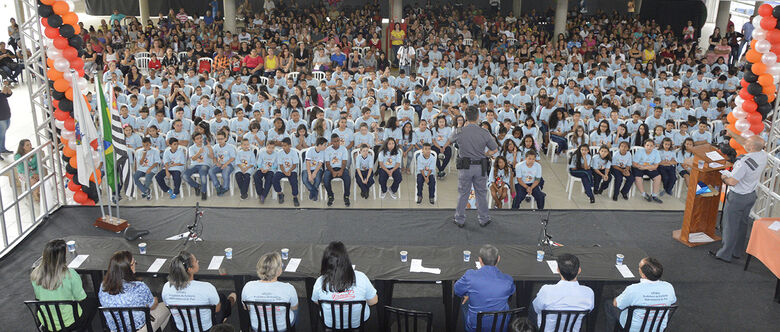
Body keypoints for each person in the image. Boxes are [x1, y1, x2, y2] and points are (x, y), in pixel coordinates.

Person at [710, 134, 767, 262]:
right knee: (742, 224)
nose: (744, 143)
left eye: (747, 142)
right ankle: (737, 251)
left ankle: (724, 254)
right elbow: (749, 143)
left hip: (738, 197)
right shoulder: (763, 155)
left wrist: (724, 176)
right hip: (750, 195)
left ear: (751, 146)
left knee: (730, 226)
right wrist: (733, 134)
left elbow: (732, 181)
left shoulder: (744, 162)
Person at [30, 239, 97, 331]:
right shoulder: (71, 274)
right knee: (93, 301)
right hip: (69, 322)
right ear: (62, 257)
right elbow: (81, 298)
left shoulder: (35, 274)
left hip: (47, 321)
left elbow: (38, 297)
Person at [162, 251, 237, 331]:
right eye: (195, 261)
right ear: (190, 269)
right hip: (207, 328)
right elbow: (217, 309)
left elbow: (168, 305)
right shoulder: (207, 287)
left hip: (181, 328)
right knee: (222, 299)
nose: (198, 261)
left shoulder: (166, 287)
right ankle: (230, 301)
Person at [98, 250, 171, 332]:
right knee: (167, 305)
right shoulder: (139, 287)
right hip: (139, 329)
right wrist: (155, 299)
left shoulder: (103, 286)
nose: (135, 264)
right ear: (128, 268)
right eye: (133, 263)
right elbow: (153, 305)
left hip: (115, 329)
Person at [311, 242, 378, 329]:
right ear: (346, 261)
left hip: (330, 323)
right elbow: (373, 301)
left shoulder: (320, 282)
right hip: (357, 322)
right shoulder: (361, 277)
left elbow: (316, 301)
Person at [452, 106, 499, 228]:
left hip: (465, 167)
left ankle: (459, 219)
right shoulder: (484, 132)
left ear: (466, 117)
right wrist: (485, 154)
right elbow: (494, 149)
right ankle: (483, 219)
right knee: (481, 193)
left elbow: (450, 140)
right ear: (478, 117)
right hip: (480, 166)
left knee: (463, 193)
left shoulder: (459, 131)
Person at [454, 245, 515, 332]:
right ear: (498, 259)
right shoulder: (508, 280)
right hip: (501, 326)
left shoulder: (470, 276)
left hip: (475, 327)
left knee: (465, 303)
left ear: (480, 260)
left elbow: (457, 290)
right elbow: (511, 292)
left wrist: (468, 294)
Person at [605, 257, 676, 331]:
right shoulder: (669, 287)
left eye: (639, 267)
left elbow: (616, 304)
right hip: (658, 328)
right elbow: (672, 301)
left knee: (608, 304)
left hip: (634, 328)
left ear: (643, 275)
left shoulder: (633, 289)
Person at [530, 254, 594, 331]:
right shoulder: (588, 293)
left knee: (532, 305)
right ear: (579, 270)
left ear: (558, 270)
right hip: (572, 330)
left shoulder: (546, 290)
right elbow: (589, 311)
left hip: (547, 329)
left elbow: (537, 308)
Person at [241, 252, 298, 332]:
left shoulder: (248, 287)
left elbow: (246, 308)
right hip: (282, 327)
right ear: (278, 271)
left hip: (257, 326)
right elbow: (294, 308)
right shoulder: (289, 288)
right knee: (296, 310)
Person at [323, 133, 351, 207]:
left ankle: (346, 196)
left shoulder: (343, 149)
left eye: (338, 141)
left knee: (347, 178)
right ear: (331, 142)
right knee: (325, 179)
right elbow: (327, 164)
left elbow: (344, 162)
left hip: (341, 167)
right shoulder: (327, 150)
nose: (337, 142)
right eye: (335, 141)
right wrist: (332, 171)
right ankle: (330, 195)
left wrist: (341, 170)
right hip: (330, 168)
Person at [273, 137, 301, 206]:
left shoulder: (294, 152)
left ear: (290, 145)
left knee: (294, 181)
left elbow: (295, 164)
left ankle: (295, 196)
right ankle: (280, 193)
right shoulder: (280, 153)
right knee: (274, 179)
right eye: (282, 145)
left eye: (285, 146)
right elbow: (281, 164)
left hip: (292, 170)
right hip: (282, 170)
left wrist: (289, 171)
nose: (283, 147)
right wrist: (285, 172)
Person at [185, 132, 212, 200]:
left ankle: (204, 192)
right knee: (184, 175)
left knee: (203, 175)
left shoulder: (206, 146)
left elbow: (212, 156)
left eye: (200, 138)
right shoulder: (191, 148)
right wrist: (199, 152)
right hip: (194, 165)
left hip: (204, 164)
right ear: (194, 141)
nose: (200, 140)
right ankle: (197, 186)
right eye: (197, 139)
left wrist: (210, 148)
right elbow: (193, 158)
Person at [209, 131, 236, 196]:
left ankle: (225, 187)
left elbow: (232, 158)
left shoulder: (230, 147)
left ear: (225, 139)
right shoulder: (215, 147)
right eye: (218, 139)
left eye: (221, 139)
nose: (220, 140)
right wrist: (216, 162)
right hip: (219, 164)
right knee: (210, 171)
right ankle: (217, 186)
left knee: (225, 172)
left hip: (228, 164)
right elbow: (214, 157)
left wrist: (225, 164)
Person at [303, 137, 328, 201]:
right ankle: (314, 191)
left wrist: (314, 173)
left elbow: (320, 164)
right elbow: (307, 163)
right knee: (305, 179)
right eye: (324, 145)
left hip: (317, 169)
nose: (326, 147)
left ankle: (312, 192)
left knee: (318, 179)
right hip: (307, 168)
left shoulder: (323, 152)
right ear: (319, 145)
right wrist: (309, 174)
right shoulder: (310, 150)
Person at [0, 80, 11, 158]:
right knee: (1, 134)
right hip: (1, 118)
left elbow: (9, 93)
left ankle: (2, 149)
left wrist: (7, 86)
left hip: (6, 116)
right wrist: (5, 87)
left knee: (3, 134)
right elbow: (3, 94)